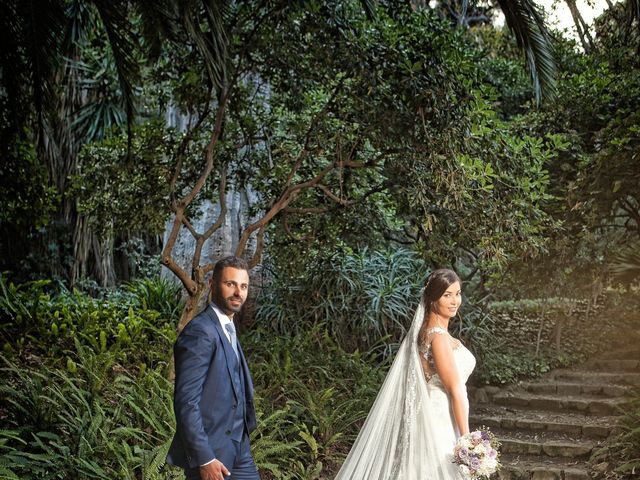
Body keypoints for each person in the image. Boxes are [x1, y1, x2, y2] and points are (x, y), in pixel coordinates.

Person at [334, 268, 476, 479]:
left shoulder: (427, 332)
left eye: (458, 293)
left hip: (433, 416)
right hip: (439, 422)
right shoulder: (438, 338)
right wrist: (467, 441)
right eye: (447, 295)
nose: (455, 300)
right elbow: (455, 390)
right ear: (432, 298)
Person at [167, 256, 260, 480]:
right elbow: (186, 401)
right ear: (212, 284)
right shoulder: (200, 331)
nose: (238, 292)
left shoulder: (228, 325)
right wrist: (204, 458)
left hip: (239, 448)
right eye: (231, 284)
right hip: (212, 453)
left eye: (243, 286)